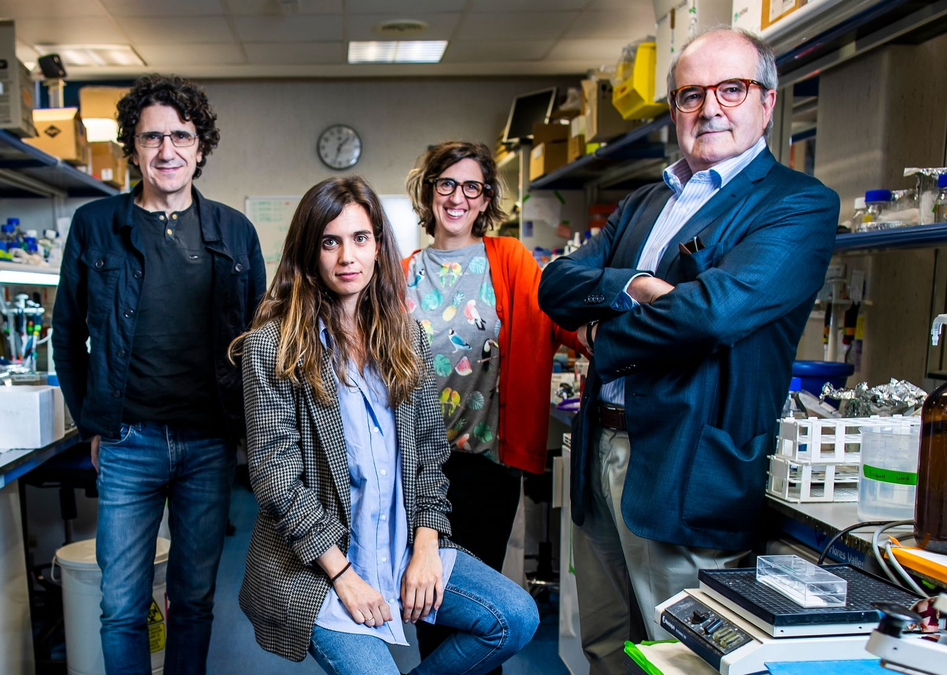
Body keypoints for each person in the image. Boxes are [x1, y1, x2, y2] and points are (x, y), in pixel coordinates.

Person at [537, 28, 838, 673]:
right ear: (674, 108)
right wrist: (636, 285)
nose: (710, 108)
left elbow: (710, 315)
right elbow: (556, 283)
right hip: (601, 452)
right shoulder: (647, 202)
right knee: (606, 646)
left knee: (685, 658)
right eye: (690, 95)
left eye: (732, 89)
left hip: (688, 464)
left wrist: (600, 336)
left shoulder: (796, 204)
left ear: (767, 100)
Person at [235, 176, 538, 675]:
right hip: (321, 568)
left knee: (516, 617)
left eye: (360, 238)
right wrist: (345, 577)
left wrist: (425, 548)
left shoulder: (407, 340)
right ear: (309, 253)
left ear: (379, 245)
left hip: (400, 548)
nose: (346, 257)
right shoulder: (274, 347)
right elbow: (277, 482)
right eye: (329, 242)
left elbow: (427, 458)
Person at [52, 74, 266, 675]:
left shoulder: (234, 233)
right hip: (127, 441)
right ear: (133, 146)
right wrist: (92, 423)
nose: (166, 150)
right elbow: (66, 335)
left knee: (194, 599)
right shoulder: (97, 226)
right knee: (120, 603)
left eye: (181, 136)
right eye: (152, 138)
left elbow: (260, 343)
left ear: (200, 147)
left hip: (208, 442)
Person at [401, 141, 583, 671]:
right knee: (429, 605)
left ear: (485, 200)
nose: (458, 197)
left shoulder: (508, 260)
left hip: (487, 466)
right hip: (415, 468)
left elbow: (558, 314)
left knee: (486, 612)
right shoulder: (401, 273)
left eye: (472, 187)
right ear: (429, 191)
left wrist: (609, 332)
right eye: (447, 184)